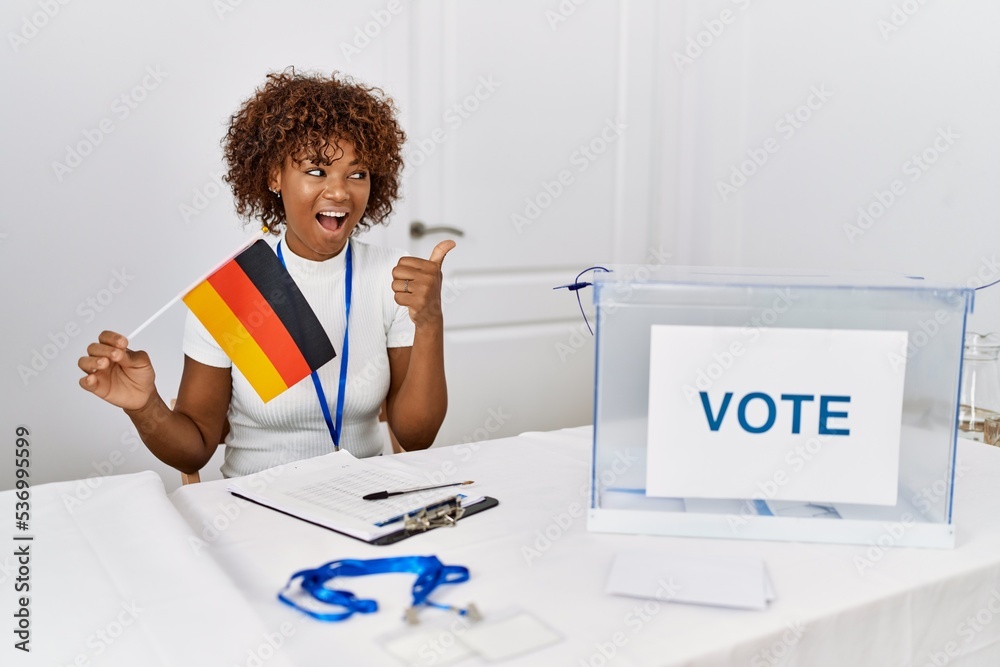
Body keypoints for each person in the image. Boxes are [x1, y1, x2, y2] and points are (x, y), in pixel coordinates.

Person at [78, 69, 453, 478]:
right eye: (316, 171)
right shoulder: (234, 289)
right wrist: (144, 406)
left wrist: (430, 322)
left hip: (366, 499)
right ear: (275, 176)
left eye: (357, 174)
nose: (340, 191)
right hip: (256, 509)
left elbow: (416, 437)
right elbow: (194, 450)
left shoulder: (392, 276)